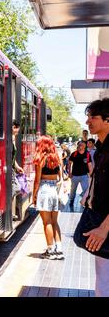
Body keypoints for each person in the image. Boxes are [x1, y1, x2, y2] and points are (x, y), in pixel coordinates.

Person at [81, 98, 109, 297]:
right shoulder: (100, 149)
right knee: (103, 282)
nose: (88, 122)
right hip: (101, 223)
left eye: (93, 117)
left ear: (107, 120)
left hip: (106, 227)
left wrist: (104, 228)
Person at [32, 135, 64, 260]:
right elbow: (60, 177)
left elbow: (37, 180)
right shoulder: (57, 158)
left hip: (44, 189)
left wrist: (34, 195)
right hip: (54, 189)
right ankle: (59, 249)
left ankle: (50, 250)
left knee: (47, 222)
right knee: (55, 221)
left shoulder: (41, 159)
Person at [68, 141, 93, 211]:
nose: (79, 146)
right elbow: (69, 163)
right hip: (74, 176)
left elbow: (89, 164)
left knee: (86, 190)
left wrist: (91, 173)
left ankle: (84, 202)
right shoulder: (74, 154)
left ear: (84, 147)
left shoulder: (87, 154)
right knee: (73, 190)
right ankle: (71, 201)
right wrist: (69, 172)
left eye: (80, 145)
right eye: (78, 145)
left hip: (84, 176)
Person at [11, 120, 24, 198]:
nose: (18, 132)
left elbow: (12, 157)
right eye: (17, 130)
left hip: (12, 168)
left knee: (17, 188)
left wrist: (17, 167)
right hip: (10, 170)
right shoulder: (10, 139)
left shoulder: (13, 139)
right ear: (13, 128)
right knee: (16, 188)